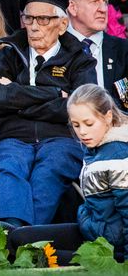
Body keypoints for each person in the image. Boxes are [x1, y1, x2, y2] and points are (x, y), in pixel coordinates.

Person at [0, 0, 97, 228]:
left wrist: (19, 101)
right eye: (29, 18)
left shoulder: (80, 59)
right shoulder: (8, 54)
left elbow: (78, 107)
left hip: (61, 138)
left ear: (62, 25)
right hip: (14, 137)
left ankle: (26, 237)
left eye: (44, 19)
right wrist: (53, 94)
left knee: (47, 172)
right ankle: (8, 231)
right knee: (8, 166)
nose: (34, 26)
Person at [7, 84, 128, 263]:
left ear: (108, 117)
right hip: (91, 231)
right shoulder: (94, 148)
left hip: (112, 245)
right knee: (18, 237)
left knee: (36, 255)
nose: (82, 132)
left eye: (89, 124)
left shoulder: (117, 153)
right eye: (76, 125)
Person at [65, 0, 128, 111]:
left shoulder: (123, 49)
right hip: (65, 127)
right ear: (73, 7)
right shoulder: (55, 46)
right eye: (95, 2)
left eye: (105, 1)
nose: (104, 9)